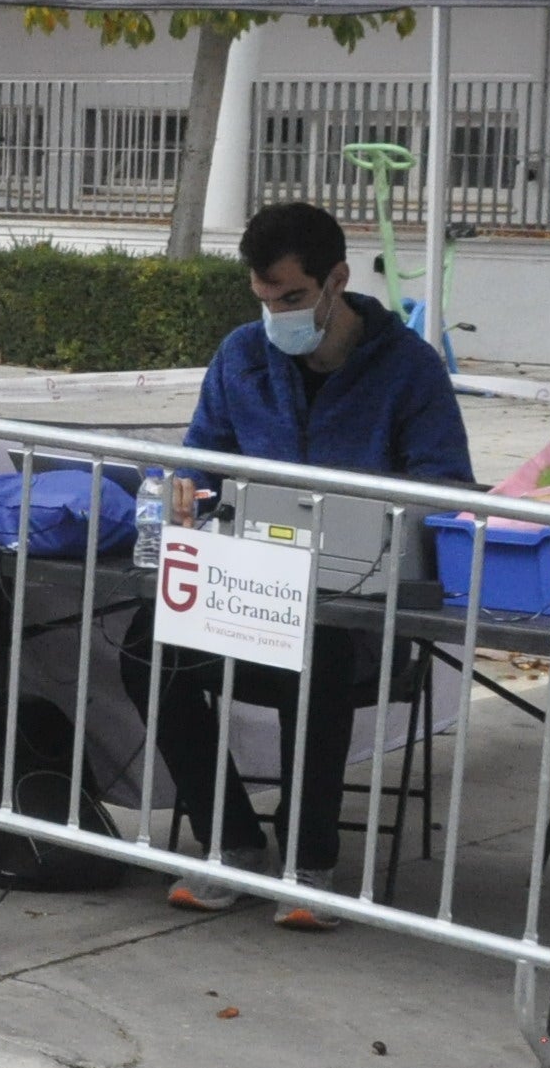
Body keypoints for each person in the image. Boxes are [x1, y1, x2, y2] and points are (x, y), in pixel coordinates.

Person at [154, 200, 475, 929]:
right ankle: (231, 841)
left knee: (320, 649)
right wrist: (182, 496)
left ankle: (309, 861)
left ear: (338, 281)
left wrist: (375, 526)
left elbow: (447, 491)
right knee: (147, 648)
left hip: (358, 612)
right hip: (248, 592)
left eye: (294, 297)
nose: (278, 315)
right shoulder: (242, 355)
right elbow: (199, 459)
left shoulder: (409, 369)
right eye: (265, 299)